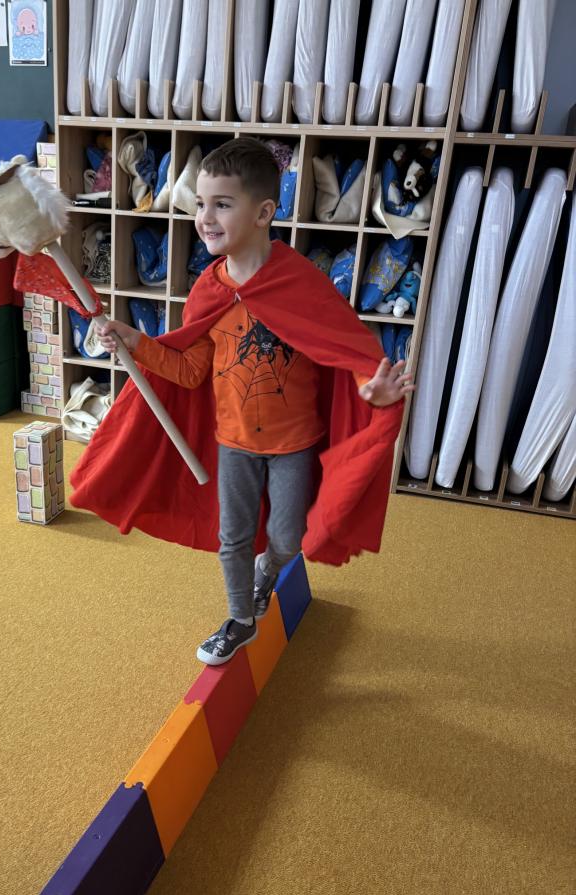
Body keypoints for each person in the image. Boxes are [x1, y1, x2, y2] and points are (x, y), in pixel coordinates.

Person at [84, 138, 414, 665]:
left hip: (294, 444)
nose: (205, 217)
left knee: (287, 537)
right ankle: (239, 620)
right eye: (200, 203)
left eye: (222, 204)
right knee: (232, 537)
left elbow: (342, 350)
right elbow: (189, 370)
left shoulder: (301, 283)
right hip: (233, 443)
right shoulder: (208, 289)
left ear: (263, 213)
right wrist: (135, 342)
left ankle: (270, 570)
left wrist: (367, 392)